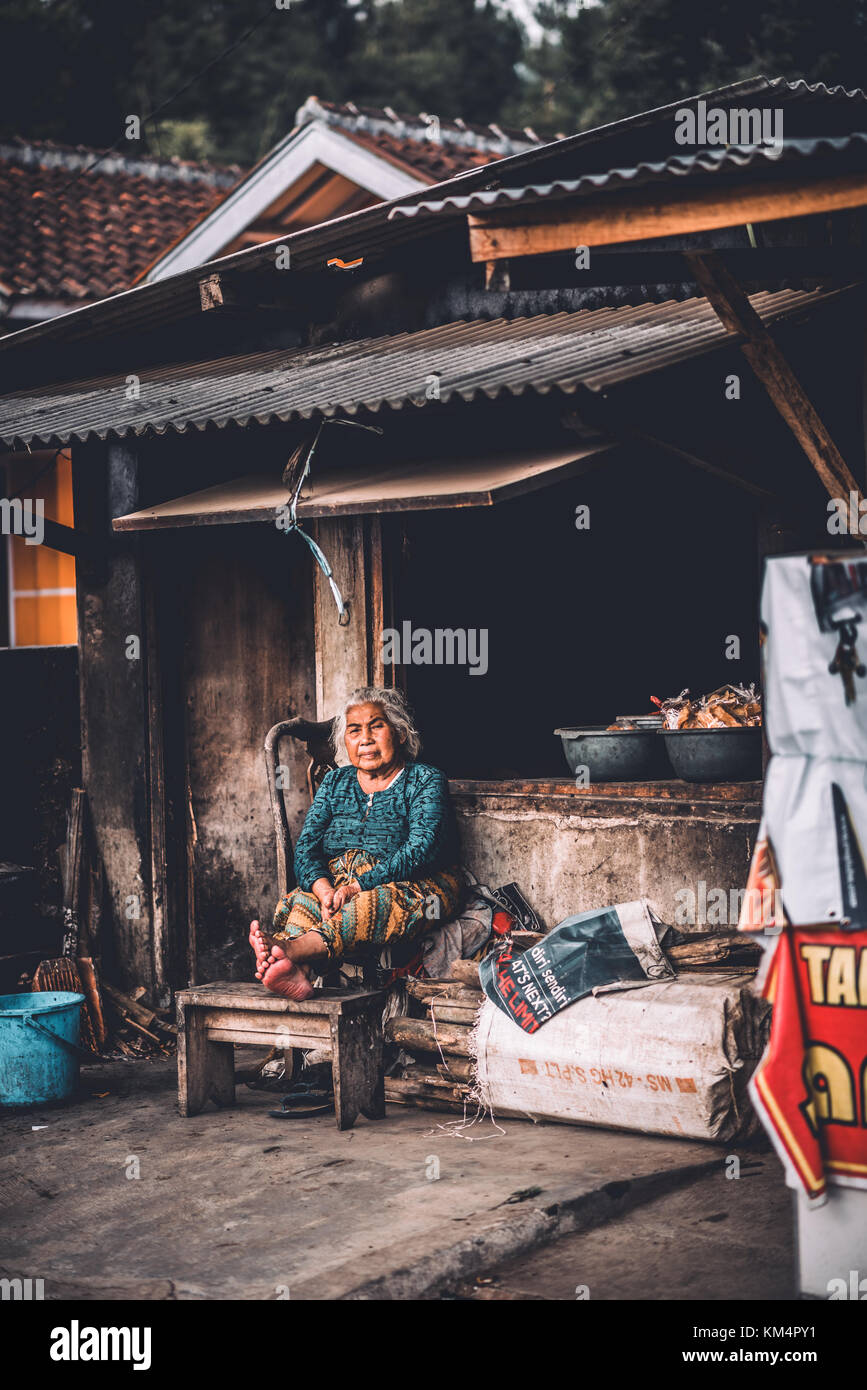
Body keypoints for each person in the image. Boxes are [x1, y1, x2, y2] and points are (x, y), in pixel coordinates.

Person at [250, 686, 462, 1000]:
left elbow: (423, 847)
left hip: (414, 882)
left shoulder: (424, 779)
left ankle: (291, 949)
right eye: (354, 730)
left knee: (369, 905)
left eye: (376, 726)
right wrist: (323, 889)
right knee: (303, 902)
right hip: (339, 881)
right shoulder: (336, 782)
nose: (365, 739)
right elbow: (307, 847)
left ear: (400, 733)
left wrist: (357, 886)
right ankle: (300, 972)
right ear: (345, 741)